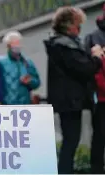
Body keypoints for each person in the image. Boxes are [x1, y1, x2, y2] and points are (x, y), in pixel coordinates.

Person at [43, 7, 104, 174]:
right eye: (78, 25)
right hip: (69, 101)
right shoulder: (64, 46)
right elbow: (84, 68)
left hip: (69, 100)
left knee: (71, 141)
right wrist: (97, 57)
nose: (79, 29)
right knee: (71, 141)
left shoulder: (61, 44)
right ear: (69, 26)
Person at [85, 7, 105, 173]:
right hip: (101, 97)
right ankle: (97, 170)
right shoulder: (94, 37)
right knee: (100, 135)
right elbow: (91, 69)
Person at [0, 31, 40, 105]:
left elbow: (37, 83)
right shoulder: (1, 63)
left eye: (18, 44)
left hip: (24, 106)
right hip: (6, 106)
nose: (17, 47)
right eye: (14, 45)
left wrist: (30, 81)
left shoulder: (27, 62)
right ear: (8, 46)